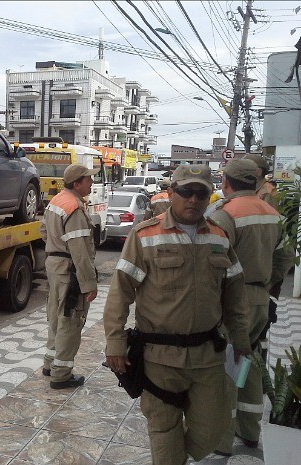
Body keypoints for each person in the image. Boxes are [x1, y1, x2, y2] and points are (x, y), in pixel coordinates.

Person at [103, 164, 251, 465]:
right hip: (159, 358)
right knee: (163, 431)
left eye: (201, 193)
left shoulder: (220, 238)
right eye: (186, 192)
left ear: (210, 196)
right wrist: (115, 342)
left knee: (214, 426)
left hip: (207, 355)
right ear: (172, 193)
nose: (193, 200)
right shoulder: (145, 235)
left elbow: (235, 294)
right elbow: (121, 291)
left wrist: (242, 339)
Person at [208, 159, 294, 455]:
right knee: (252, 360)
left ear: (227, 183)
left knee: (228, 366)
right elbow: (285, 258)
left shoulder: (224, 215)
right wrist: (270, 288)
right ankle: (249, 431)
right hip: (261, 297)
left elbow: (215, 264)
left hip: (233, 300)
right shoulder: (272, 213)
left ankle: (221, 441)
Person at [40, 163, 98, 389]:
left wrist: (55, 248)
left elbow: (43, 231)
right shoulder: (74, 207)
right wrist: (89, 283)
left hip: (55, 265)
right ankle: (61, 374)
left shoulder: (56, 201)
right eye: (88, 179)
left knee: (56, 316)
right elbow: (80, 251)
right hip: (70, 270)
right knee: (70, 320)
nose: (91, 182)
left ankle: (49, 364)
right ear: (77, 183)